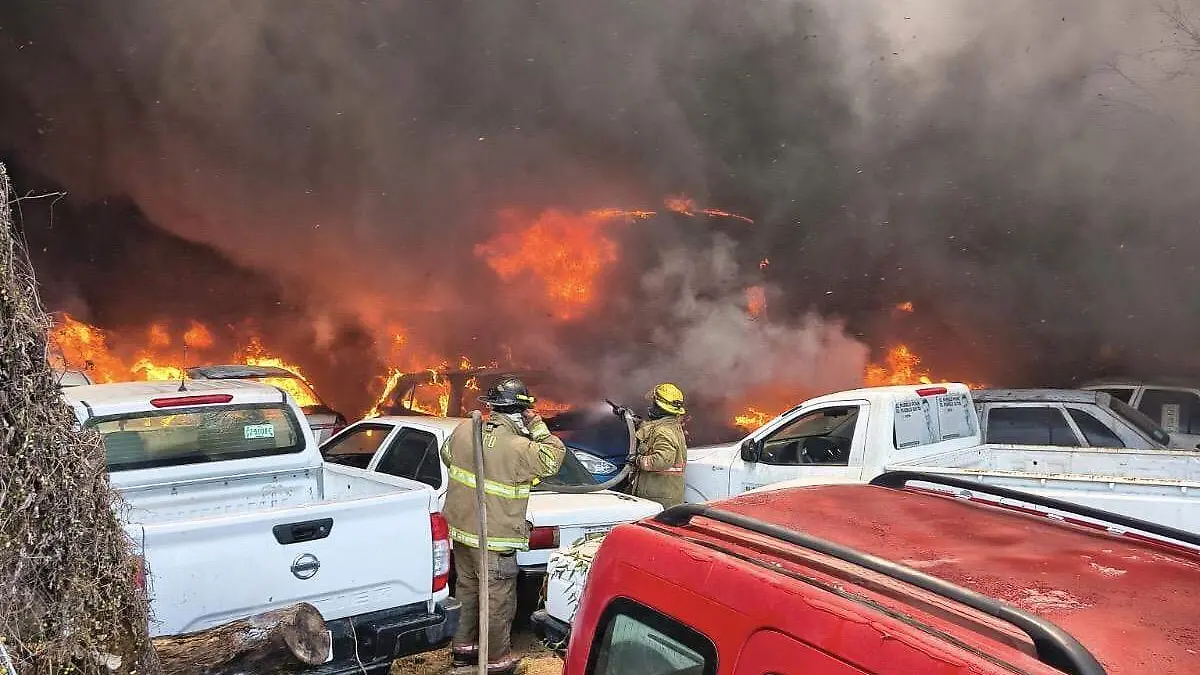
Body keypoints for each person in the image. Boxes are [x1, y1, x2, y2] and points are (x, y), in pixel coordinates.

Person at [441, 375, 567, 674]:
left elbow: (447, 455)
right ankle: (495, 660)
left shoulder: (464, 430)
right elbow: (553, 457)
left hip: (461, 531)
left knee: (467, 589)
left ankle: (464, 648)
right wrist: (537, 425)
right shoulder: (520, 446)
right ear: (521, 411)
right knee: (497, 600)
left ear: (493, 406)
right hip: (495, 538)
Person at [628, 383, 688, 509]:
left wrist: (637, 460)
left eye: (653, 403)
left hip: (659, 499)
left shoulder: (663, 431)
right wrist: (634, 421)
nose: (650, 406)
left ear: (660, 407)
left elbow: (661, 461)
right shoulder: (671, 425)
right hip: (664, 495)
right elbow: (653, 430)